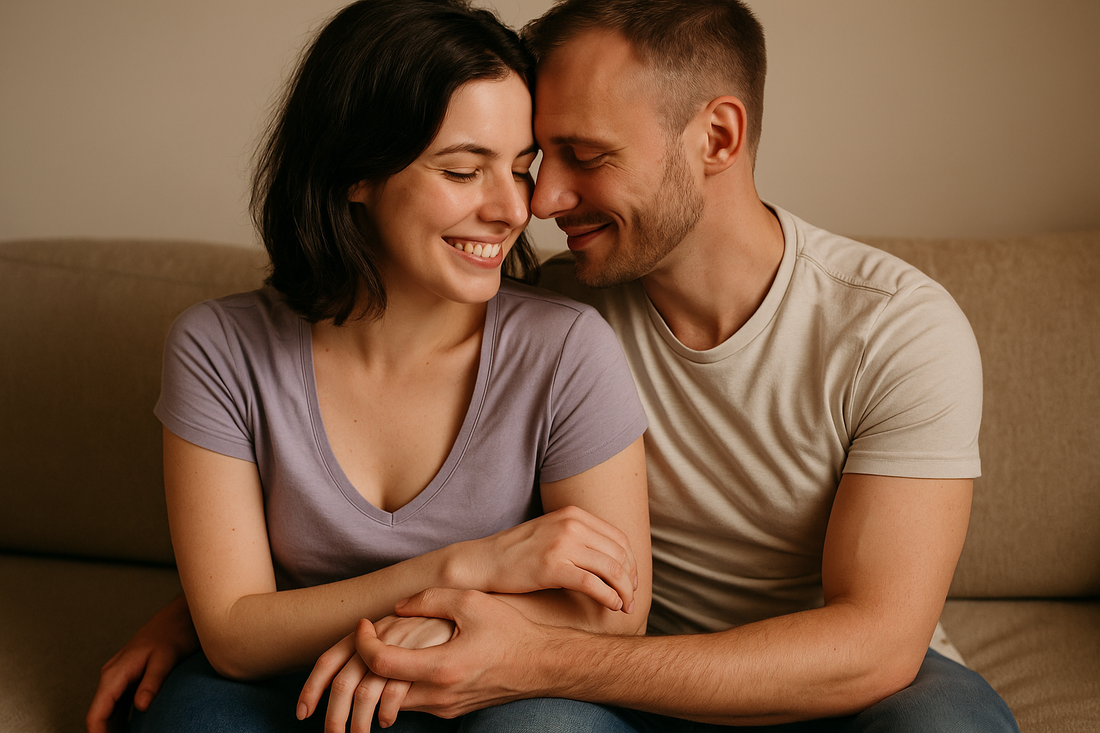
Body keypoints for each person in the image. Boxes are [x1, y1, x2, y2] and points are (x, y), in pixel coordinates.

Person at [91, 0, 1021, 731]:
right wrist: (217, 615)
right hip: (592, 682)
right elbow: (349, 417)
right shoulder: (542, 300)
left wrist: (527, 655)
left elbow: (873, 644)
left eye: (576, 156)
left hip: (768, 672)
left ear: (718, 139)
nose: (535, 202)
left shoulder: (893, 329)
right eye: (532, 159)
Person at [86, 1, 653, 731]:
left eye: (519, 168)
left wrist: (441, 629)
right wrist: (458, 570)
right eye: (462, 170)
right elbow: (231, 633)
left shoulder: (567, 347)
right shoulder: (218, 348)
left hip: (496, 683)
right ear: (355, 172)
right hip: (287, 684)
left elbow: (617, 612)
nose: (513, 208)